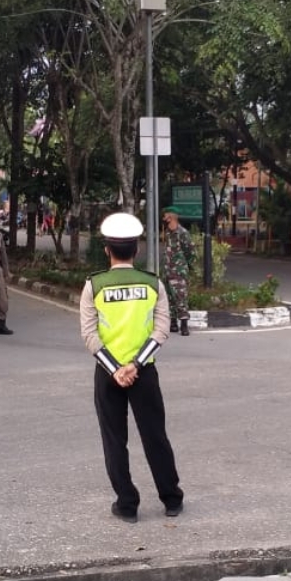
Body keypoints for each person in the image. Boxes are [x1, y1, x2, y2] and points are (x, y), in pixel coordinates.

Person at [80, 212, 184, 523]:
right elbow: (161, 331)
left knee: (114, 439)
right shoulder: (153, 284)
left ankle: (127, 504)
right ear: (136, 250)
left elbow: (90, 334)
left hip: (107, 373)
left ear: (107, 249)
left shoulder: (94, 285)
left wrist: (115, 369)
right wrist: (136, 365)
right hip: (144, 373)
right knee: (155, 436)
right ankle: (172, 499)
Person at [161, 207, 196, 336]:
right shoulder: (168, 232)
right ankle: (173, 323)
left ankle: (184, 325)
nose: (163, 218)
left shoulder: (182, 233)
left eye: (165, 216)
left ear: (171, 217)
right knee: (169, 298)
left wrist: (185, 266)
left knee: (181, 297)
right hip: (167, 270)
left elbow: (190, 252)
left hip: (179, 271)